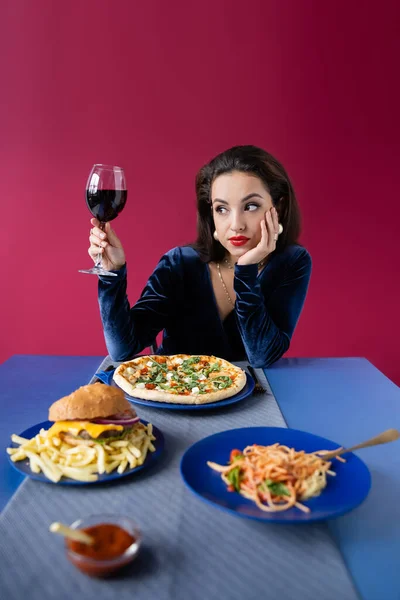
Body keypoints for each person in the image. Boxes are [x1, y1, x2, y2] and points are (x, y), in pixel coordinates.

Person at [88, 145, 312, 368]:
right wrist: (111, 274)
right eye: (222, 209)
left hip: (252, 399)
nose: (236, 225)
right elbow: (122, 349)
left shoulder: (292, 262)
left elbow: (262, 356)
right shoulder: (180, 263)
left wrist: (246, 269)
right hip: (174, 396)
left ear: (279, 208)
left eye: (251, 206)